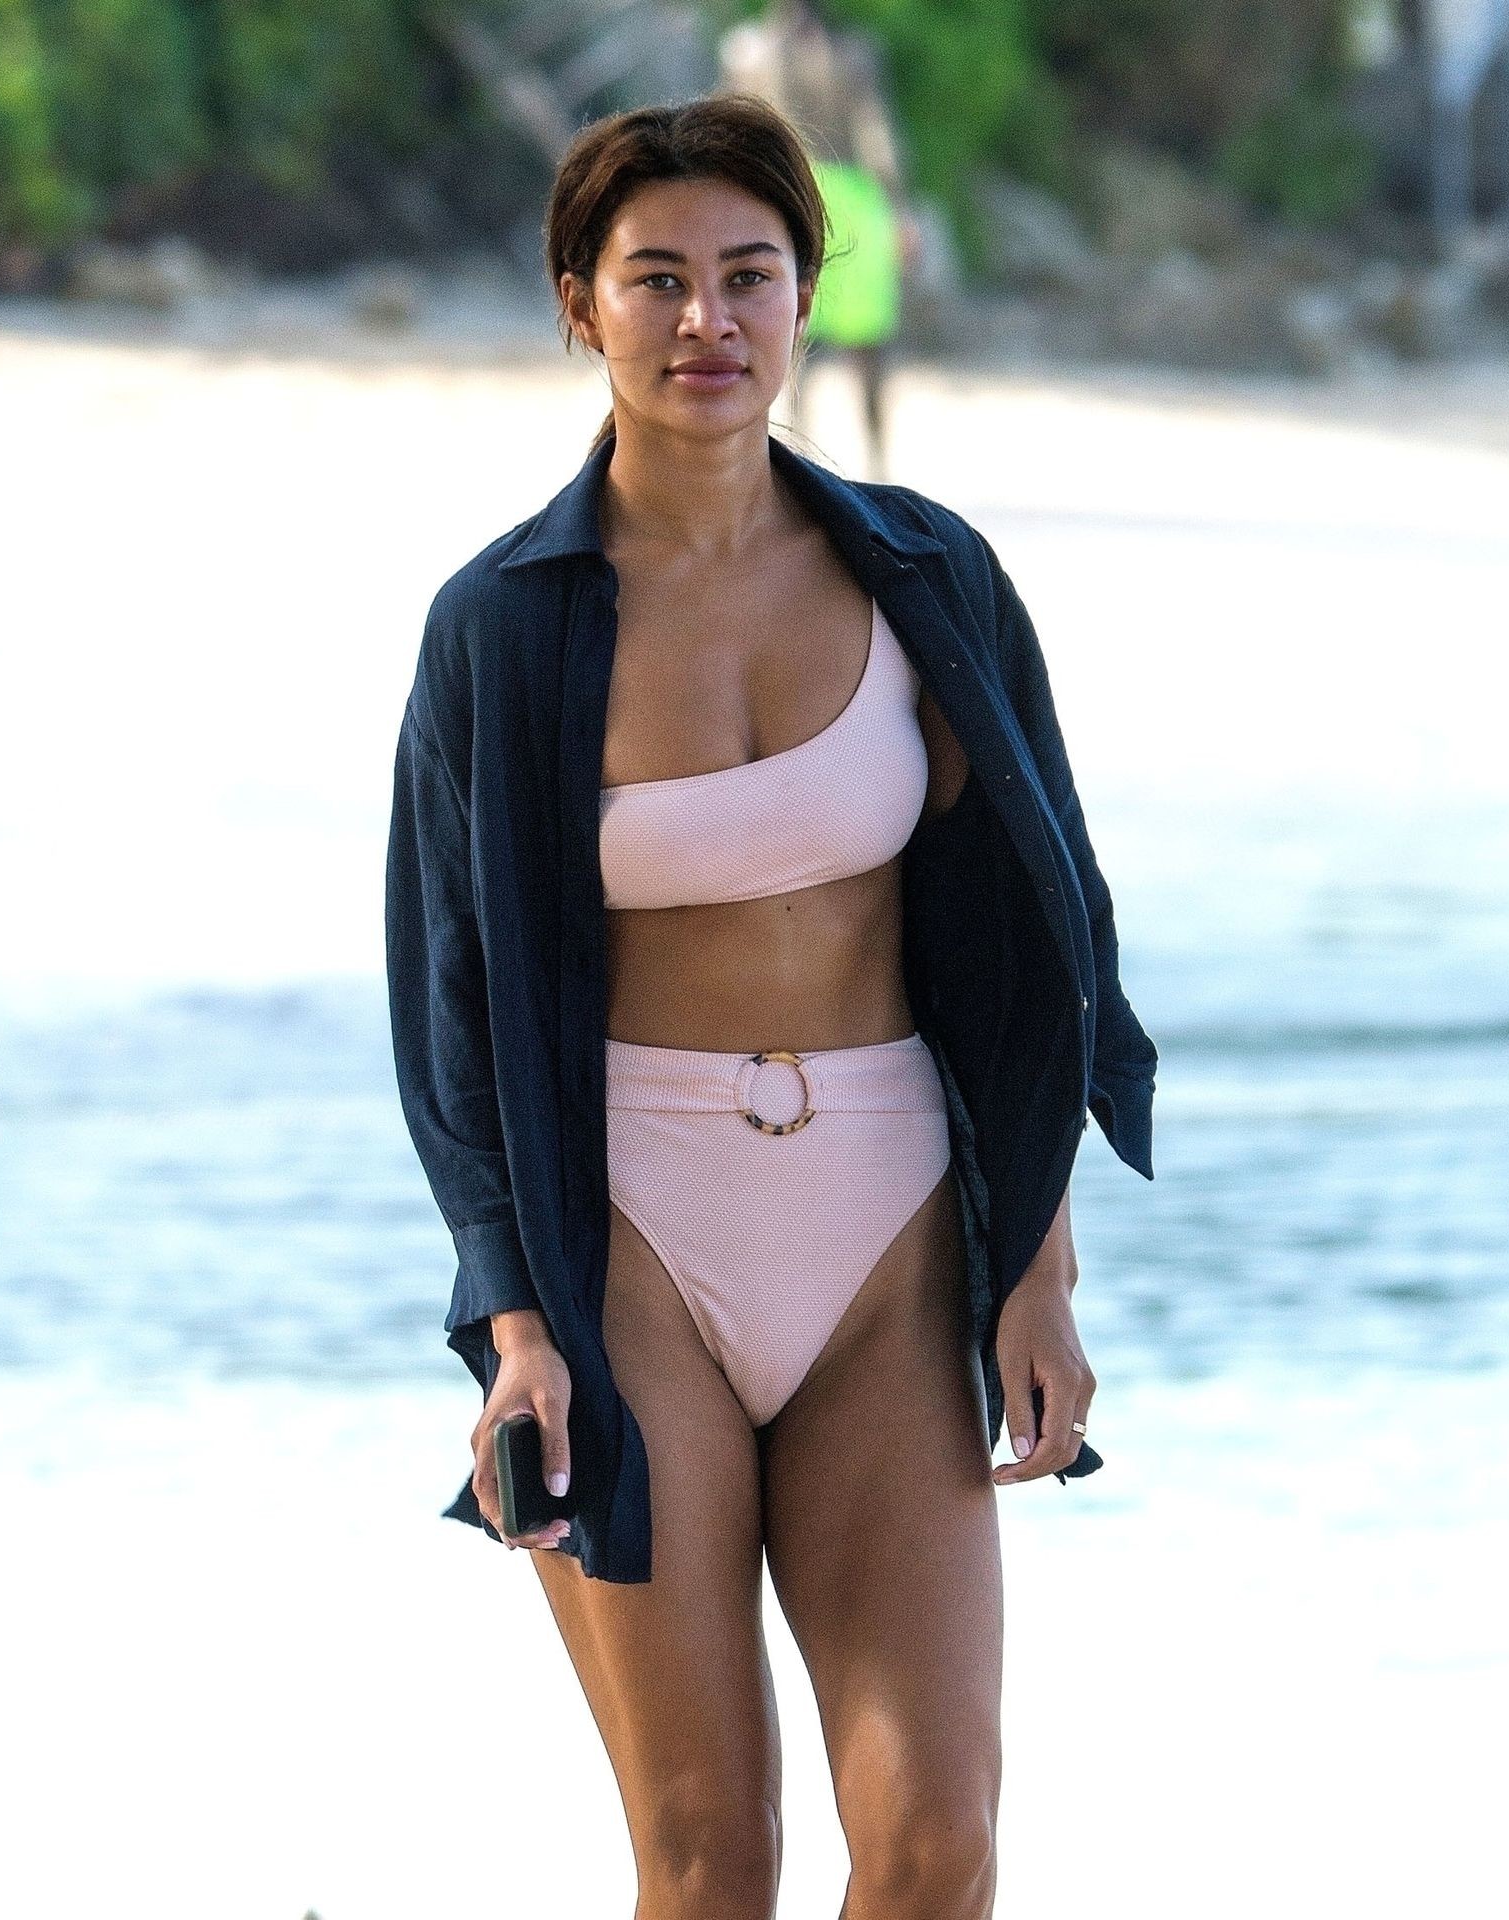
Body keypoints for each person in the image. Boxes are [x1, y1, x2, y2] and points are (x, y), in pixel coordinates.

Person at [384, 93, 1157, 1920]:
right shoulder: (502, 625)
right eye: (655, 279)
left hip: (888, 1217)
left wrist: (1038, 1268)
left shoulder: (926, 576)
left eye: (747, 275)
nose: (704, 320)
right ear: (579, 304)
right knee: (710, 1855)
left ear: (808, 296)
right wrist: (513, 1324)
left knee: (938, 1845)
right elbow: (450, 1003)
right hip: (627, 1237)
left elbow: (1038, 940)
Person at [717, 0, 920, 480]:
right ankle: (870, 464)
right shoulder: (851, 53)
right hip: (847, 200)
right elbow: (877, 136)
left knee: (785, 331)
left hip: (787, 195)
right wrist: (898, 208)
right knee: (857, 340)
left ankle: (794, 458)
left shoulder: (747, 51)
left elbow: (727, 138)